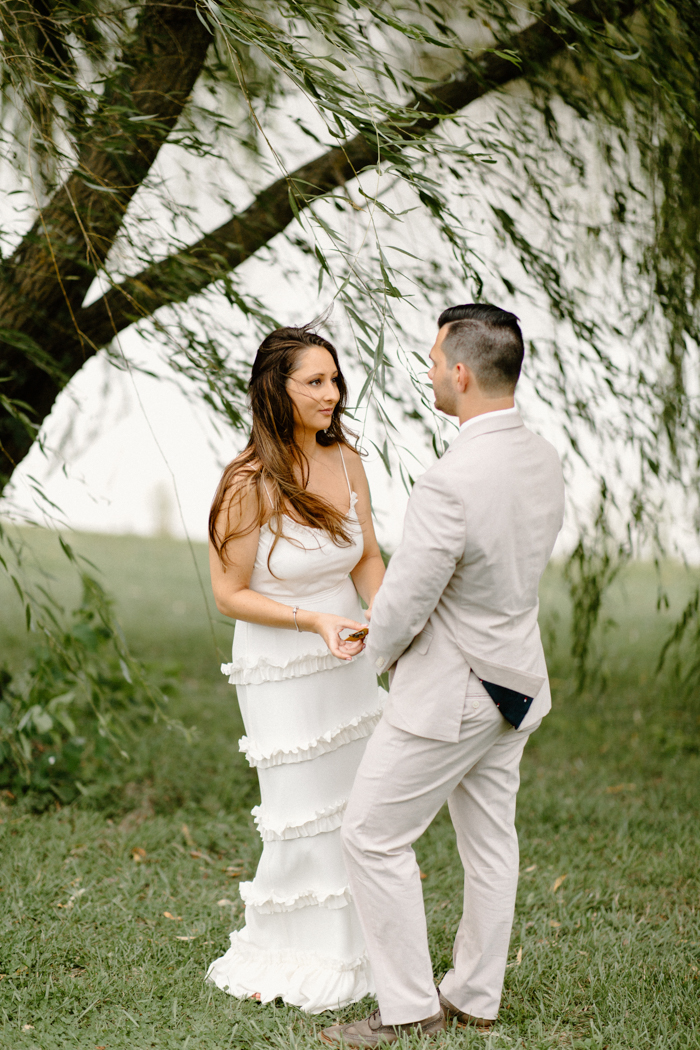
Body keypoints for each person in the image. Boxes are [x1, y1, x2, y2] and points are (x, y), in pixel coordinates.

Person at [321, 304, 565, 1046]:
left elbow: (404, 601)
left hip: (453, 692)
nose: (428, 371)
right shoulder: (544, 457)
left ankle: (410, 1008)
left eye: (432, 360)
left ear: (460, 372)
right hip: (517, 681)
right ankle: (475, 997)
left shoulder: (449, 480)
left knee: (370, 835)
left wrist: (377, 651)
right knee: (491, 844)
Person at [206, 325, 386, 1013]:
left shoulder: (346, 459)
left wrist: (387, 617)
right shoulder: (247, 482)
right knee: (303, 811)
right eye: (314, 381)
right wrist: (312, 620)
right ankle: (301, 949)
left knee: (356, 805)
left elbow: (366, 554)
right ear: (273, 390)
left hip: (350, 651)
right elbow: (229, 594)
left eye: (335, 380)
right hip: (282, 662)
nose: (331, 394)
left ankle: (368, 946)